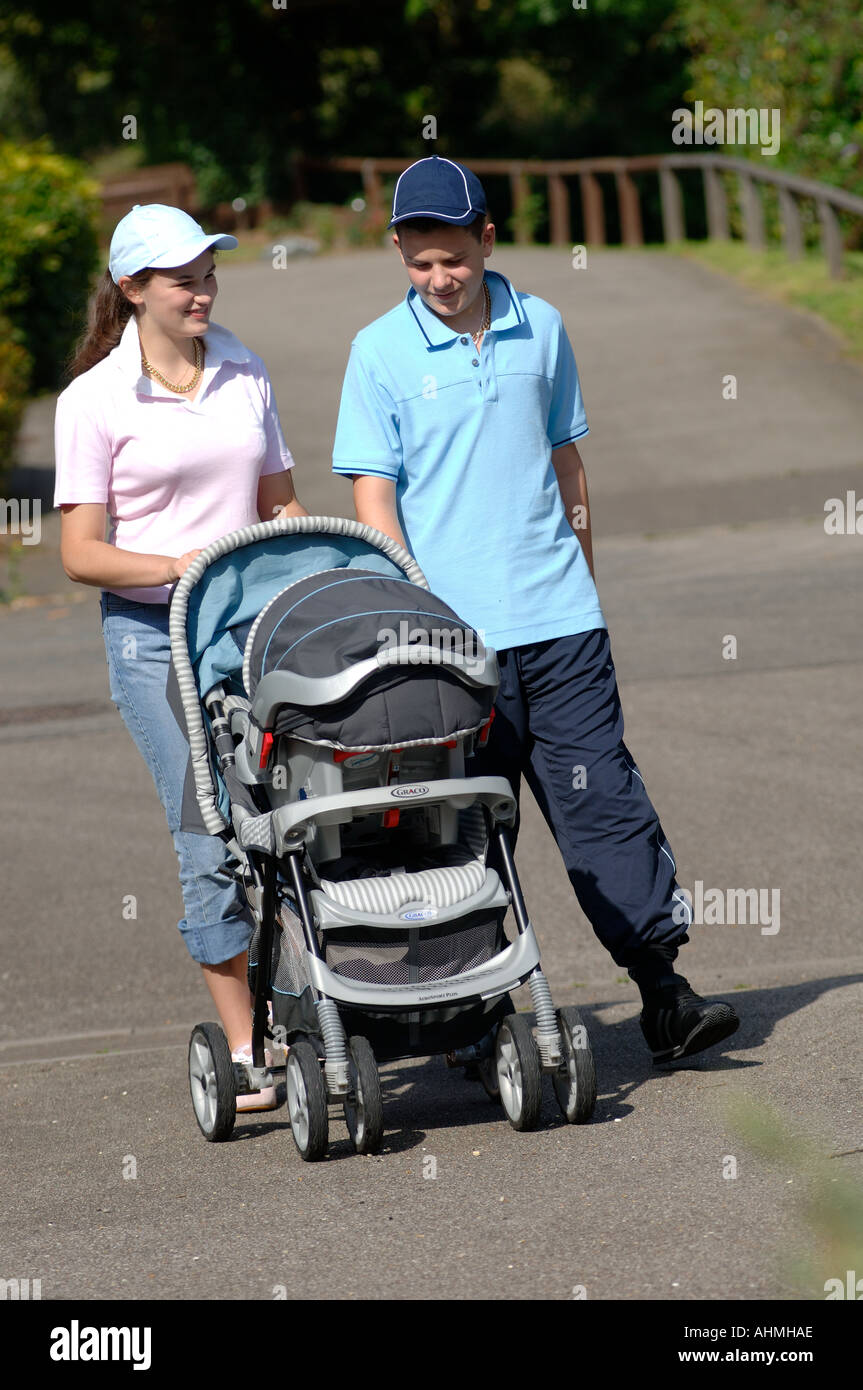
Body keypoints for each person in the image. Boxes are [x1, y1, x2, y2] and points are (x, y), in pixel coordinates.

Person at [332, 156, 739, 1065]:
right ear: (399, 250)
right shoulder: (377, 354)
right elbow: (374, 497)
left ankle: (661, 990)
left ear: (487, 238)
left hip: (559, 626)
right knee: (457, 830)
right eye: (419, 261)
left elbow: (566, 464)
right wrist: (411, 613)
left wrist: (581, 583)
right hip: (443, 645)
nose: (440, 279)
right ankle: (471, 1020)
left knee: (604, 807)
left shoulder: (542, 327)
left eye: (455, 259)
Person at [54, 204, 307, 1109]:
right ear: (132, 290)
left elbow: (279, 504)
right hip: (152, 635)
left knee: (298, 814)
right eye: (181, 279)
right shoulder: (92, 400)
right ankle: (246, 1050)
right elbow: (81, 552)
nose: (201, 292)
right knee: (208, 832)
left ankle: (309, 996)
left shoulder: (244, 368)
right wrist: (181, 567)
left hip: (252, 625)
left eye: (208, 274)